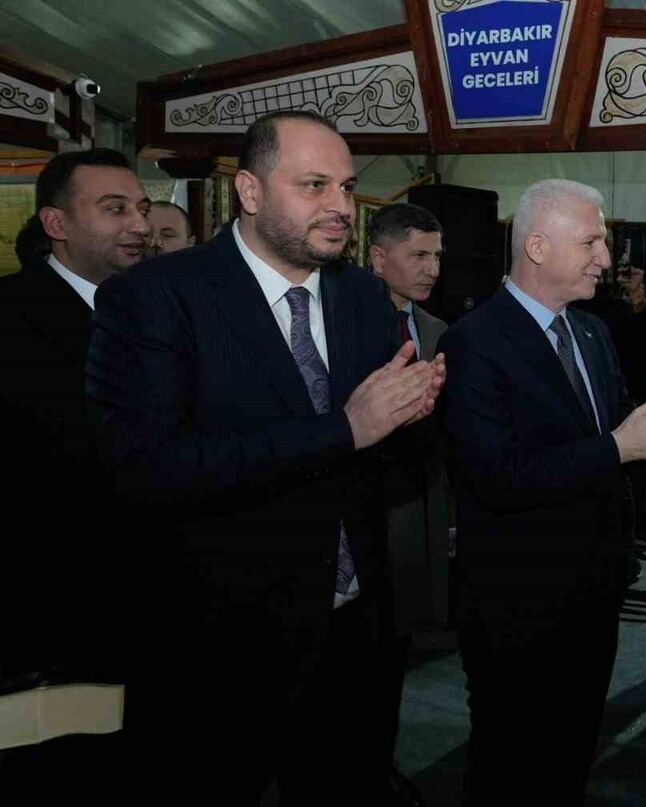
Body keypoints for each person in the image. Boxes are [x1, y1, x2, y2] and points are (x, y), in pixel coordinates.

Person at [85, 110, 445, 805]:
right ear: (249, 192)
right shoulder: (154, 296)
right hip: (218, 644)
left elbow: (383, 455)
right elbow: (146, 467)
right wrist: (346, 428)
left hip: (355, 631)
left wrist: (415, 413)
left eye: (346, 187)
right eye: (314, 185)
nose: (341, 207)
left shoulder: (360, 295)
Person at [437, 178, 646, 805]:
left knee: (571, 751)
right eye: (592, 242)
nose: (605, 258)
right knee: (510, 762)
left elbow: (613, 434)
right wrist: (623, 446)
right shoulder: (473, 342)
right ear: (537, 247)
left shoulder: (592, 333)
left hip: (595, 588)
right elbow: (495, 477)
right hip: (518, 599)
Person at [0, 148, 151, 800]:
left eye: (141, 207)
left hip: (152, 615)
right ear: (56, 224)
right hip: (47, 622)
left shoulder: (158, 314)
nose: (139, 225)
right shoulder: (10, 315)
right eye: (115, 209)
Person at [366, 201, 451, 806]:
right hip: (358, 520)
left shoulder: (439, 331)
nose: (432, 269)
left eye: (437, 256)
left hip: (415, 516)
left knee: (393, 657)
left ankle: (380, 765)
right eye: (418, 255)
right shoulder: (337, 319)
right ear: (378, 258)